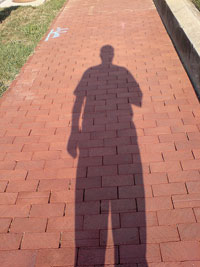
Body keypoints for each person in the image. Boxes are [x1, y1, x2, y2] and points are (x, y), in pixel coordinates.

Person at [67, 45, 146, 266]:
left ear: (102, 55)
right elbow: (138, 98)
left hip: (88, 132)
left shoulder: (90, 72)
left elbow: (78, 101)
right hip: (124, 129)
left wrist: (75, 131)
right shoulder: (123, 72)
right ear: (111, 56)